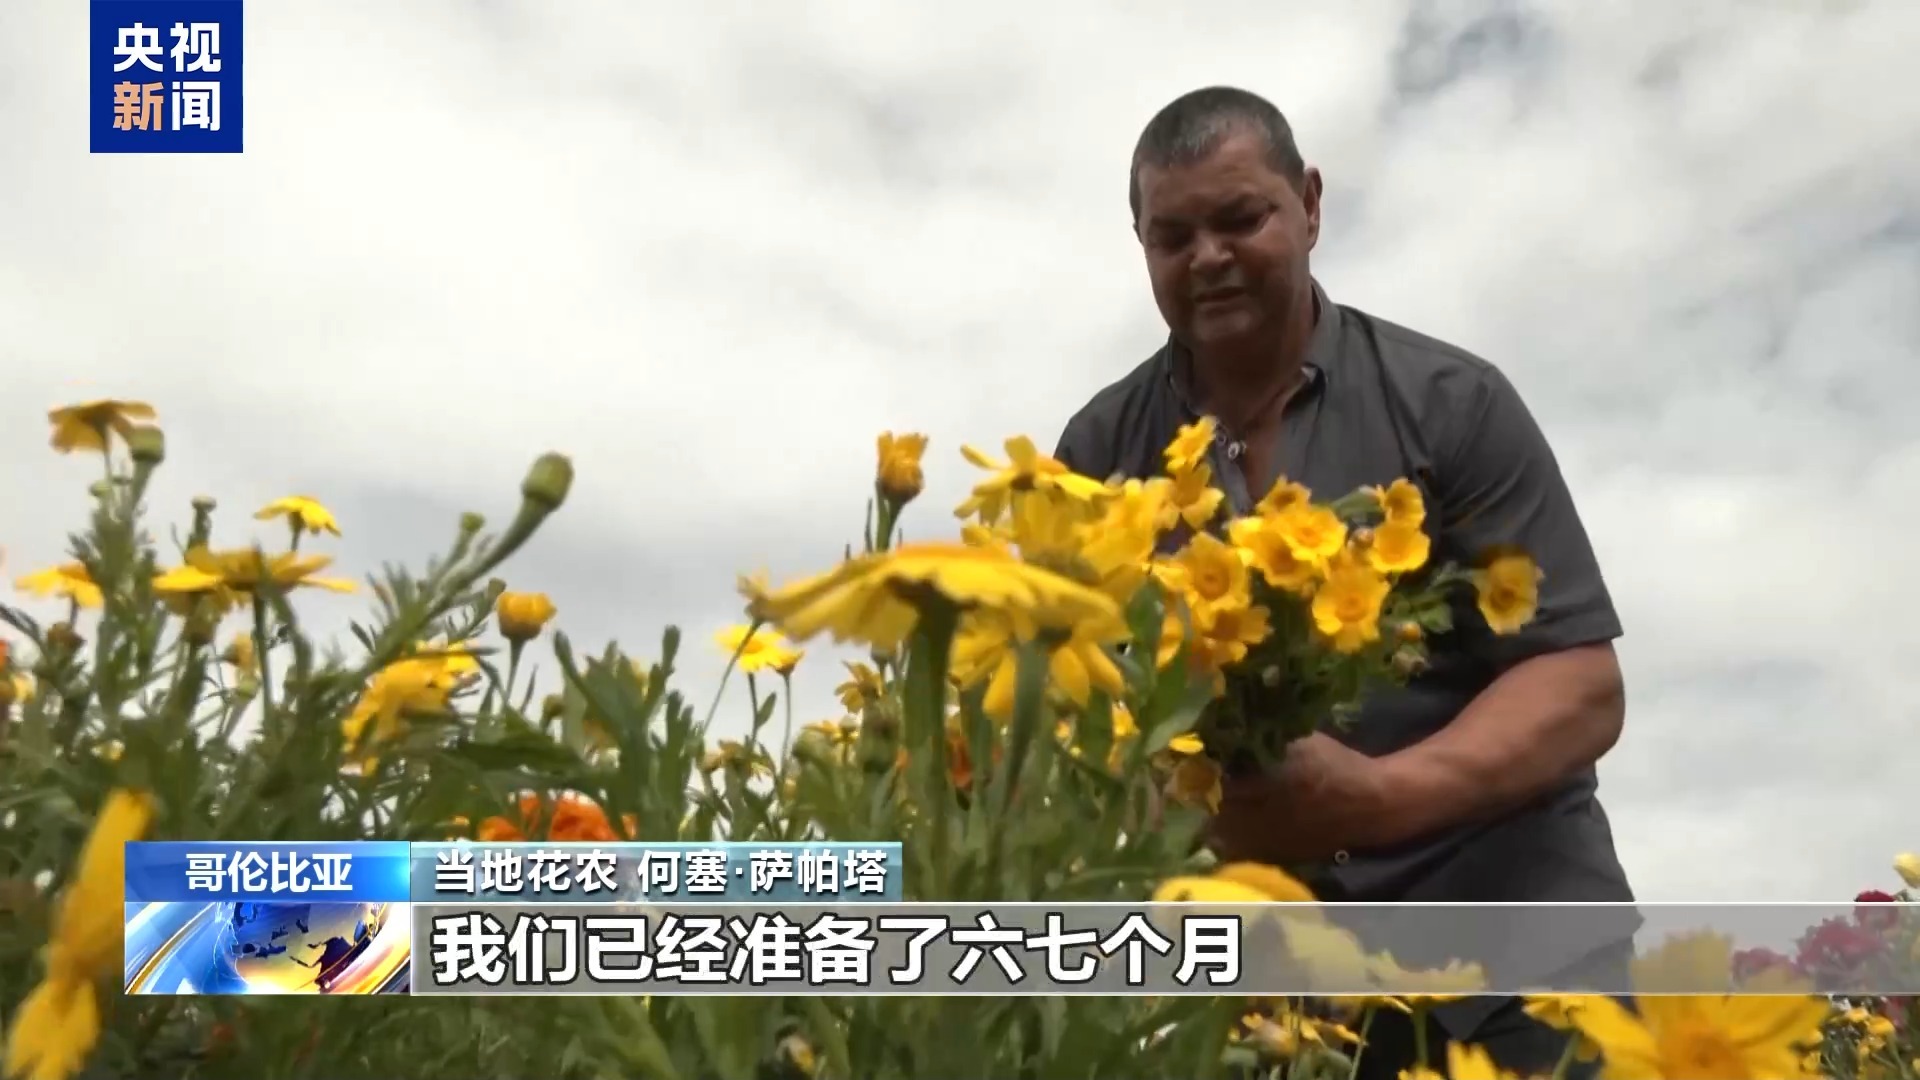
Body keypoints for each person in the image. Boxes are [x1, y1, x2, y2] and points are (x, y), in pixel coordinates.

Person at [1052, 86, 1636, 1079]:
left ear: (1311, 204)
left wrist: (1372, 797)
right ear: (1141, 242)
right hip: (1285, 1001)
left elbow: (1580, 686)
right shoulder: (1098, 451)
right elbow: (1078, 712)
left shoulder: (1450, 402)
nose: (1208, 258)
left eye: (1242, 219)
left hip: (1523, 956)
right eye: (1173, 236)